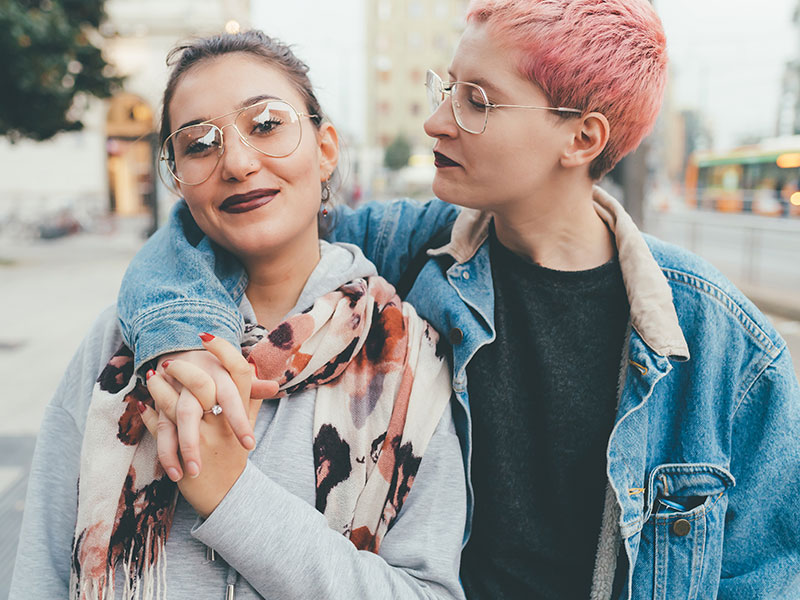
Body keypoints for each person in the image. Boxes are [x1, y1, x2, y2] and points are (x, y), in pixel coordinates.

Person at [104, 1, 800, 598]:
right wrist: (178, 340)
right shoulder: (409, 249)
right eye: (449, 88)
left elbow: (766, 576)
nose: (437, 121)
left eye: (476, 101)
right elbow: (209, 230)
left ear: (582, 137)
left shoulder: (719, 344)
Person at [9, 31, 468, 600]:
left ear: (325, 149)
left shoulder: (407, 356)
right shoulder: (121, 347)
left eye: (267, 125)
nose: (237, 163)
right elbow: (42, 575)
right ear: (177, 178)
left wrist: (234, 495)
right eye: (199, 143)